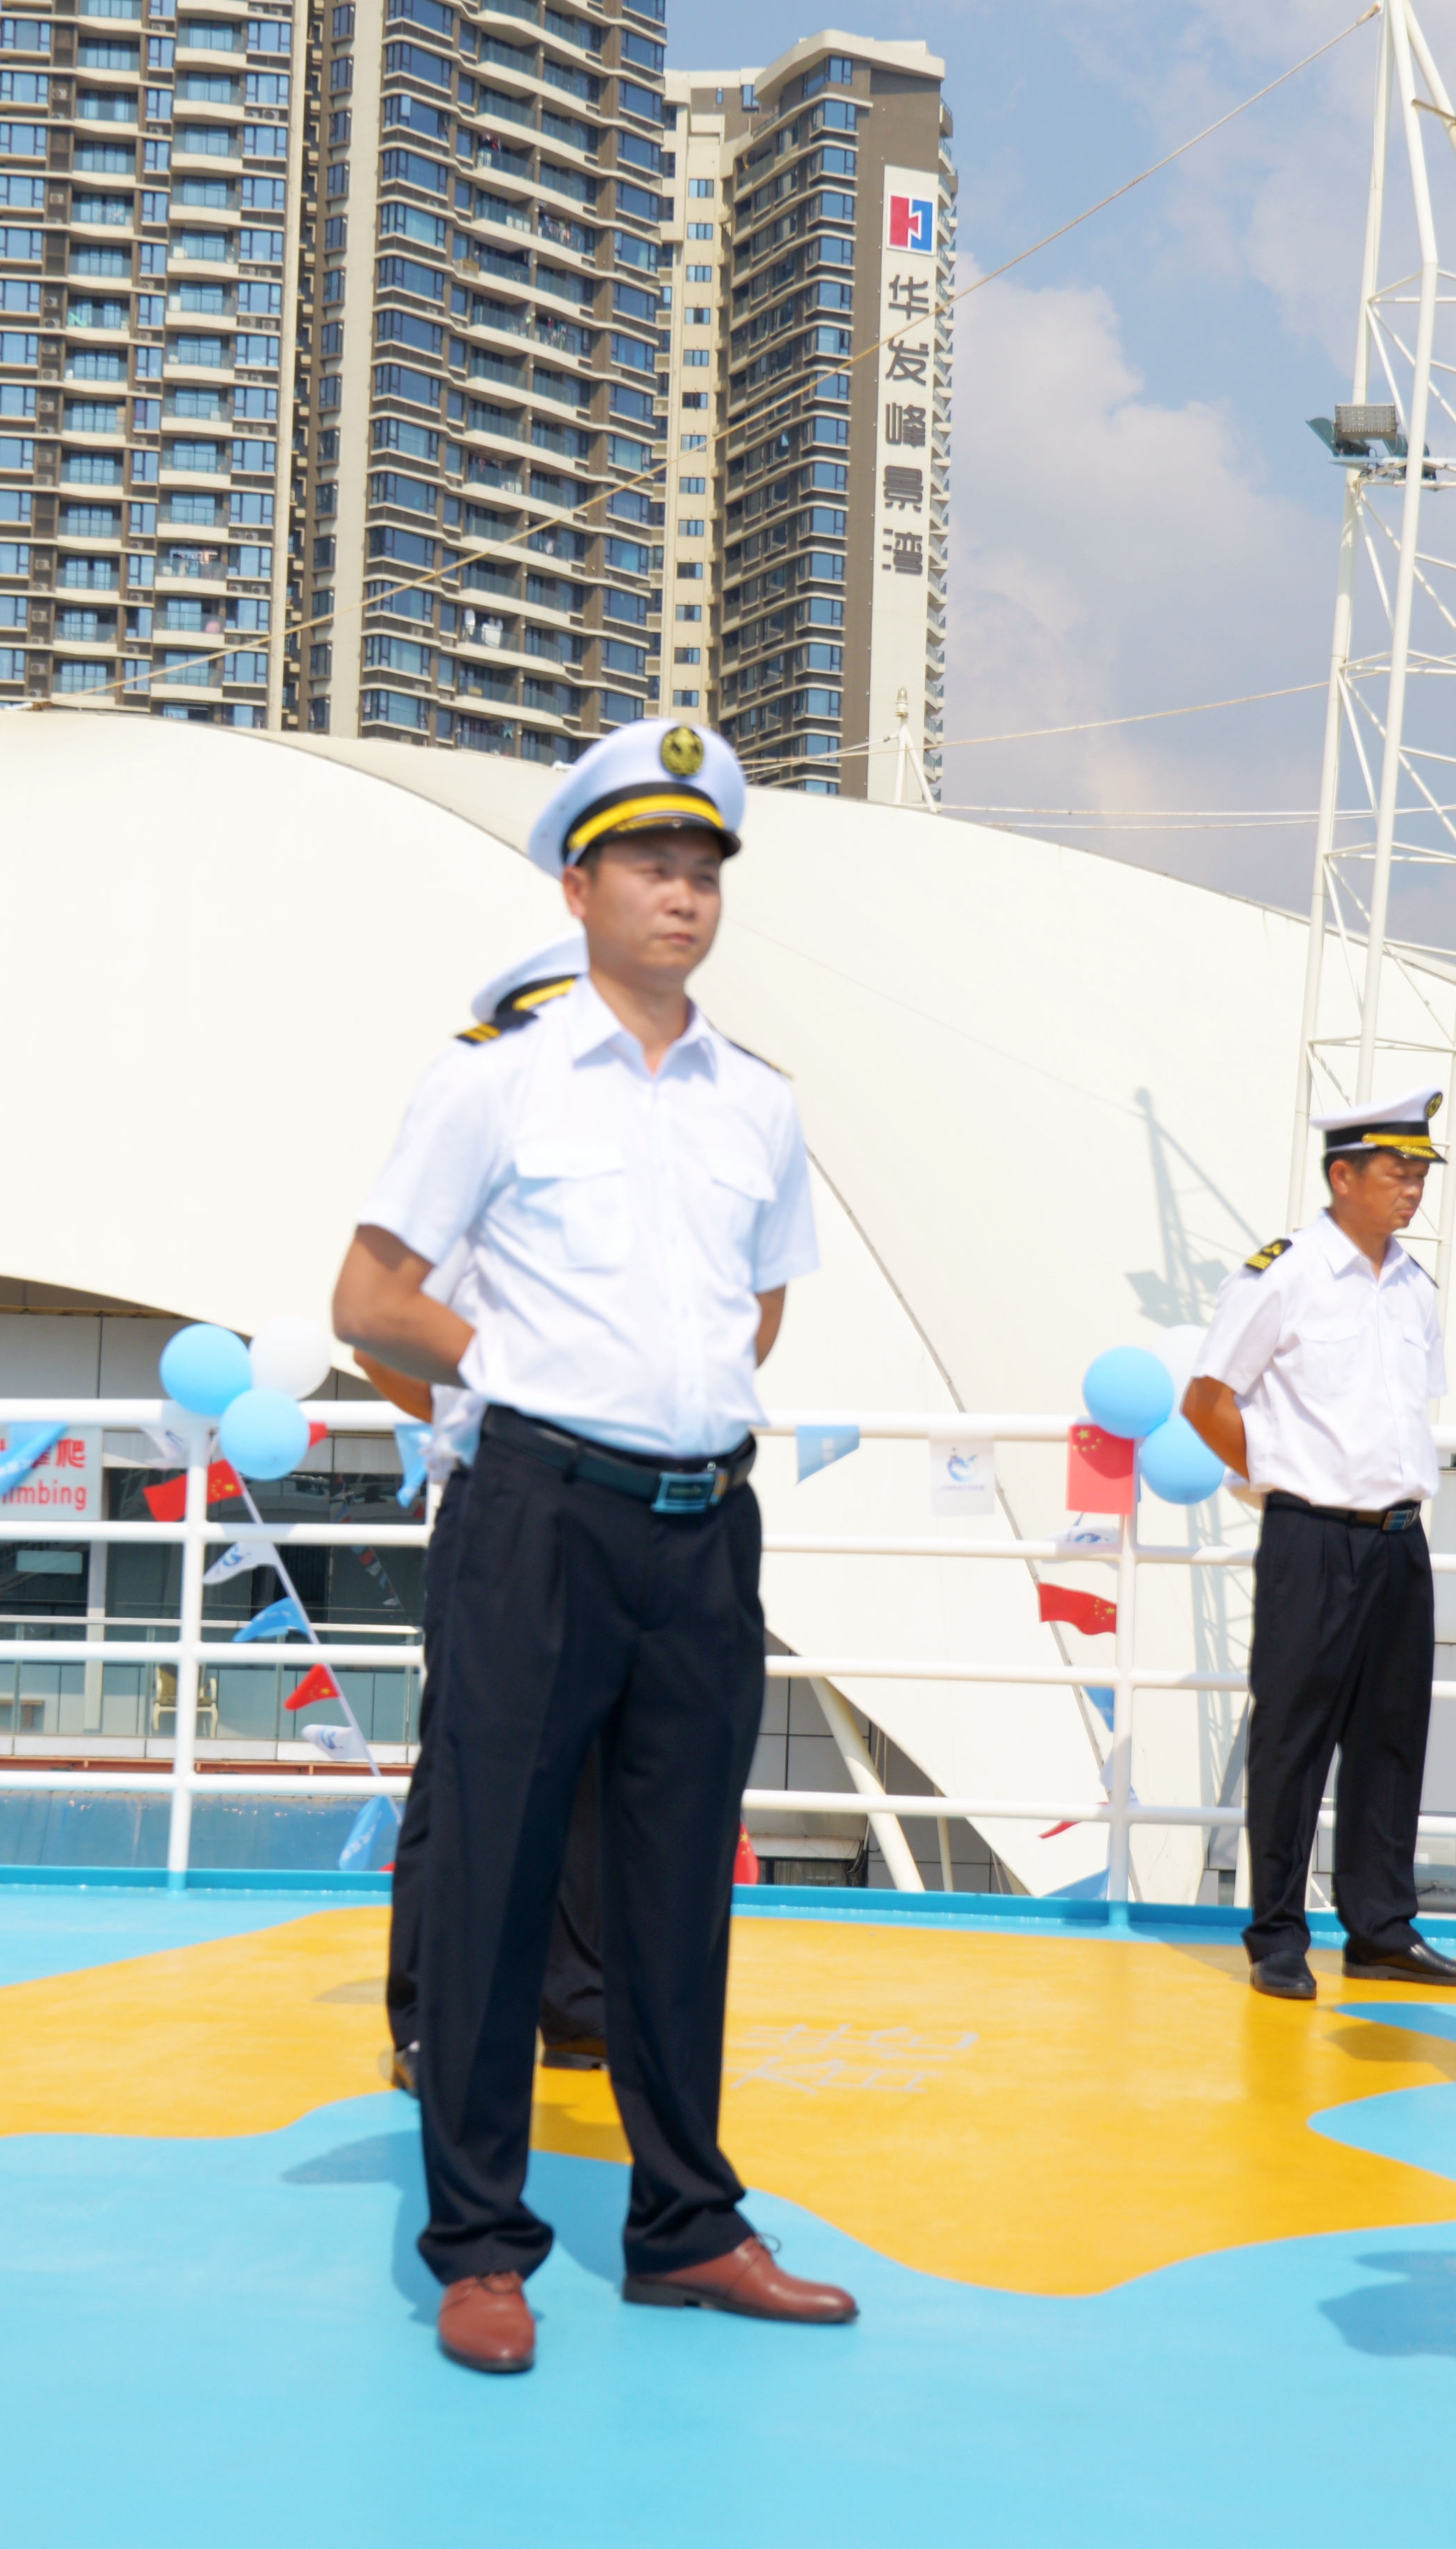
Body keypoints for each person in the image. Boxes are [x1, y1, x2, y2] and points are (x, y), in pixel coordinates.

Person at [333, 715, 853, 2377]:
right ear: (578, 882)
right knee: (494, 1884)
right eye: (649, 863)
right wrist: (529, 1369)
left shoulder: (760, 1107)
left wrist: (660, 1392)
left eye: (703, 869)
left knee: (675, 1889)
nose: (682, 895)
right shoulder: (493, 1082)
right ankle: (481, 2244)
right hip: (536, 1516)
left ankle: (685, 2225)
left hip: (702, 1524)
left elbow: (756, 1307)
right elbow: (370, 1298)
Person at [357, 934, 610, 2098]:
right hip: (498, 1506)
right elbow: (378, 1331)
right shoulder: (477, 1172)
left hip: (610, 1504)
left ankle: (577, 2003)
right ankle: (433, 2017)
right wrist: (471, 1413)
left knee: (594, 1770)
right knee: (468, 1774)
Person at [1183, 1094, 1456, 2000]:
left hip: (1400, 1539)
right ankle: (1277, 1935)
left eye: (1423, 1170)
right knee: (1293, 1738)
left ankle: (1381, 1929)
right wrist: (1279, 1476)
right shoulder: (1284, 1274)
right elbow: (1206, 1402)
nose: (1415, 1187)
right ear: (1342, 1174)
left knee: (1392, 1740)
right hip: (1313, 1537)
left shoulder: (1415, 1287)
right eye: (1398, 1169)